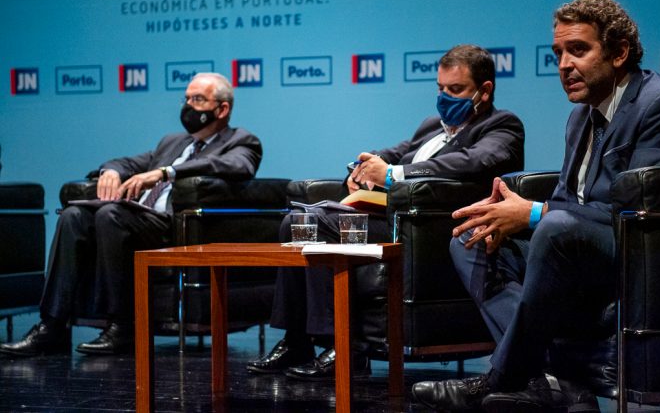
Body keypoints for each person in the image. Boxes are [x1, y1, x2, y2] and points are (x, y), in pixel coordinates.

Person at [412, 0, 660, 411]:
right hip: (581, 247)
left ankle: (504, 376)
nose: (564, 65)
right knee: (472, 240)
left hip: (642, 253)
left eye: (578, 50)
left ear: (619, 52)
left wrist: (534, 214)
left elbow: (643, 216)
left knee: (552, 227)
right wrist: (515, 213)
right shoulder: (580, 116)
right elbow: (568, 200)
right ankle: (551, 379)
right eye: (558, 54)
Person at [246, 44, 525, 380]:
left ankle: (343, 347)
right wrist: (362, 167)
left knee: (319, 225)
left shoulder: (502, 126)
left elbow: (472, 162)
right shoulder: (432, 126)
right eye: (440, 88)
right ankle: (296, 341)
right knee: (296, 222)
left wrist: (393, 174)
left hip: (426, 231)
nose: (444, 98)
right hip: (388, 220)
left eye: (455, 89)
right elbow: (394, 152)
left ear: (485, 90)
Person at [0, 72, 262, 357]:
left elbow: (234, 166)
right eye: (186, 99)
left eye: (197, 99)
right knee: (73, 215)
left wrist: (166, 172)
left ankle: (123, 326)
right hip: (137, 216)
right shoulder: (173, 142)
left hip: (172, 226)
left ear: (222, 109)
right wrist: (111, 171)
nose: (188, 106)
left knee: (110, 214)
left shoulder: (242, 141)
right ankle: (52, 326)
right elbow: (126, 162)